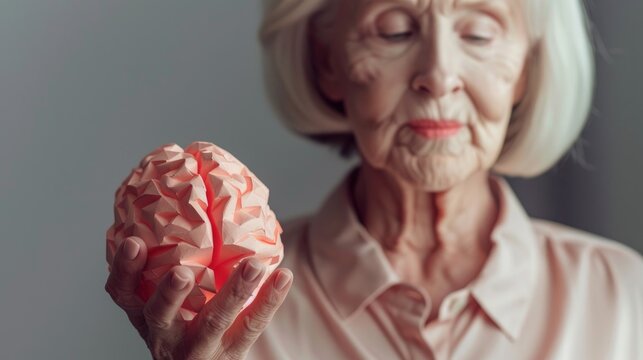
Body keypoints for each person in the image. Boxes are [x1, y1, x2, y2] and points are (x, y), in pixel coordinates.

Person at [105, 0, 643, 359]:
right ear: (327, 62)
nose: (438, 75)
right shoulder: (229, 309)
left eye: (479, 33)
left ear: (525, 70)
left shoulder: (622, 297)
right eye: (395, 30)